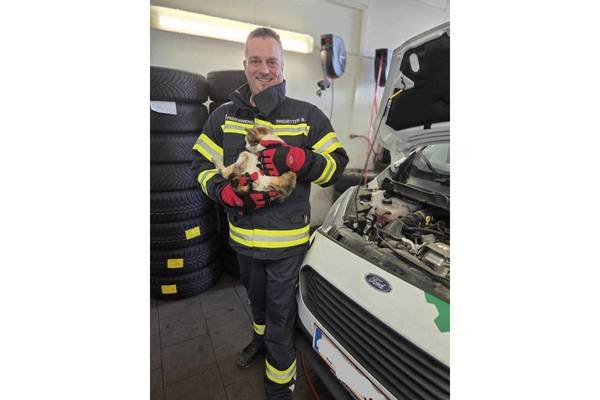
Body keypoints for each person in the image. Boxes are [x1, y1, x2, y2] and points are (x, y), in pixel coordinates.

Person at [191, 27, 348, 399]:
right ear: (245, 64)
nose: (264, 69)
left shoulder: (307, 116)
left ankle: (279, 385)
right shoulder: (224, 117)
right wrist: (222, 192)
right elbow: (200, 163)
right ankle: (258, 342)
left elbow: (336, 166)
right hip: (243, 242)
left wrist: (298, 159)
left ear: (282, 65)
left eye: (272, 61)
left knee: (280, 314)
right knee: (256, 303)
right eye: (256, 61)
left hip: (286, 247)